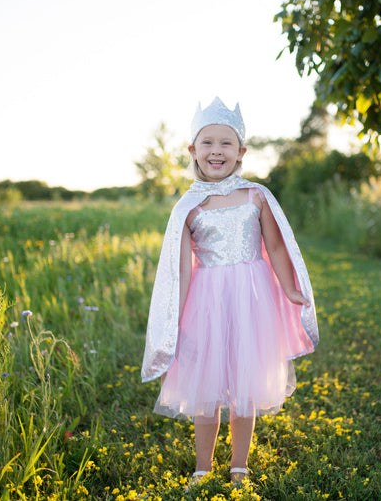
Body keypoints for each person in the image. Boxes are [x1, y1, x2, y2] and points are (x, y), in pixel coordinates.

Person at [141, 97, 319, 488]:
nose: (216, 151)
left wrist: (290, 287)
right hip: (207, 302)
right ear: (192, 150)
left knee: (245, 381)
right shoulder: (188, 207)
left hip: (252, 300)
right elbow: (182, 268)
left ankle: (240, 465)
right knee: (205, 385)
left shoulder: (256, 196)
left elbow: (274, 246)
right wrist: (179, 316)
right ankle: (203, 466)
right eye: (207, 143)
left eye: (226, 143)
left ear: (241, 151)